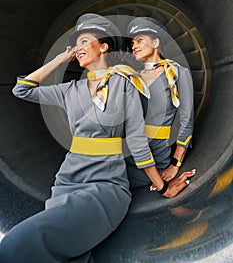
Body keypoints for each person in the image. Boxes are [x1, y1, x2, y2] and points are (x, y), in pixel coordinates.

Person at [0, 13, 195, 263]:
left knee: (16, 245)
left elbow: (136, 141)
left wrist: (164, 185)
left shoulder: (125, 82)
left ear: (103, 46)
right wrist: (61, 58)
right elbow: (22, 90)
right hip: (67, 182)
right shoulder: (70, 90)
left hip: (105, 183)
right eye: (76, 44)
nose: (78, 48)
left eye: (84, 41)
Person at [126, 16, 194, 188]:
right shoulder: (131, 76)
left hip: (156, 154)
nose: (134, 46)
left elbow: (187, 120)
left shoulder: (177, 73)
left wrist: (174, 165)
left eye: (140, 40)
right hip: (127, 150)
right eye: (133, 43)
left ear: (155, 42)